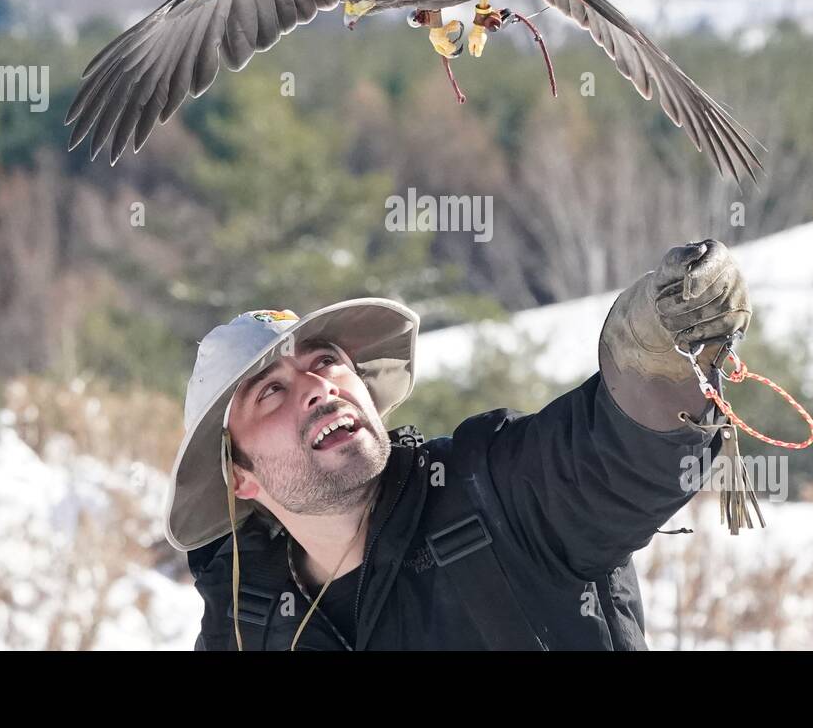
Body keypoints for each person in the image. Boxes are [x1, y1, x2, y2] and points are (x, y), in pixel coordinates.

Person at [162, 239, 752, 650]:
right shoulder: (245, 624)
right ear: (239, 475)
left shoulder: (490, 492)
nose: (318, 388)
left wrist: (660, 361)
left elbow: (613, 458)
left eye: (327, 361)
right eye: (271, 392)